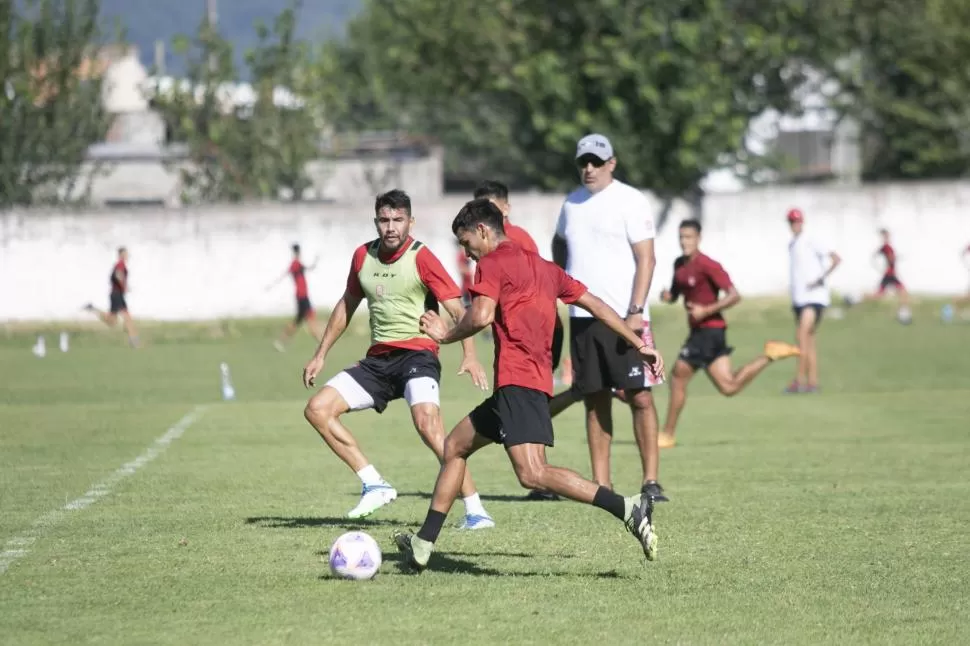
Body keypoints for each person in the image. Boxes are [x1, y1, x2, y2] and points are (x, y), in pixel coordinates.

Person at [392, 198, 666, 572]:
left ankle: (628, 507)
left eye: (466, 242)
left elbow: (483, 315)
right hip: (528, 381)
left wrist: (446, 334)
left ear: (484, 231)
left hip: (518, 380)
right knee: (454, 447)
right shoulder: (545, 267)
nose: (467, 253)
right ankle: (424, 543)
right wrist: (639, 344)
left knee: (533, 474)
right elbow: (597, 304)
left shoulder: (491, 263)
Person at [301, 189, 495, 529]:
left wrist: (469, 354)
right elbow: (347, 305)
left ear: (410, 222)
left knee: (428, 425)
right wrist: (320, 354)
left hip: (418, 355)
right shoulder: (363, 256)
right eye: (384, 220)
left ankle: (476, 510)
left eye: (398, 220)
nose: (391, 227)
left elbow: (456, 309)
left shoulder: (422, 257)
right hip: (378, 361)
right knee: (317, 409)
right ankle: (373, 483)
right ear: (376, 221)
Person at [551, 133, 667, 503]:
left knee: (640, 398)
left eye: (596, 162)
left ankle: (650, 481)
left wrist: (635, 310)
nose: (588, 169)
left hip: (624, 317)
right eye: (583, 162)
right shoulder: (571, 204)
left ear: (611, 163)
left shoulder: (630, 200)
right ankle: (603, 486)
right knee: (594, 398)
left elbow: (646, 259)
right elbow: (558, 246)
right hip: (582, 319)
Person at [658, 220, 801, 448]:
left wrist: (706, 310)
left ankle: (667, 434)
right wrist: (667, 296)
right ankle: (770, 355)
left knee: (677, 376)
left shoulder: (709, 265)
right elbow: (676, 294)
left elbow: (734, 295)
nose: (684, 242)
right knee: (729, 387)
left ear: (698, 239)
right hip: (705, 333)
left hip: (709, 332)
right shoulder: (679, 264)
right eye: (681, 237)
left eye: (689, 237)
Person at [473, 180, 570, 502]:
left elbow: (538, 284)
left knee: (528, 400)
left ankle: (543, 480)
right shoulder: (486, 250)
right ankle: (542, 481)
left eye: (493, 207)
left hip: (531, 339)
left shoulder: (519, 240)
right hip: (510, 339)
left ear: (506, 208)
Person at [785, 208, 841, 394]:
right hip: (799, 299)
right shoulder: (793, 244)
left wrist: (819, 279)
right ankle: (813, 383)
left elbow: (836, 259)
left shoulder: (812, 240)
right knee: (808, 340)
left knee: (801, 336)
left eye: (798, 221)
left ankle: (799, 381)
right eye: (793, 222)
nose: (796, 225)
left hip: (814, 298)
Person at [270, 244, 324, 351]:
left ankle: (280, 341)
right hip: (302, 296)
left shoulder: (296, 264)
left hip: (302, 296)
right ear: (298, 252)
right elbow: (305, 268)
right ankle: (321, 344)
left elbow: (289, 273)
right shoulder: (296, 264)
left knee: (298, 322)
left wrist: (316, 261)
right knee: (311, 319)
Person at [84, 246, 140, 347]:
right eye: (126, 254)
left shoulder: (121, 265)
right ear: (121, 254)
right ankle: (134, 341)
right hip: (116, 295)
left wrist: (124, 287)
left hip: (117, 295)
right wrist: (125, 286)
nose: (127, 256)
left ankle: (92, 308)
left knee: (113, 321)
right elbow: (118, 275)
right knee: (124, 318)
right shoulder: (120, 264)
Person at [859, 228, 911, 322]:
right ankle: (903, 313)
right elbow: (890, 259)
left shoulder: (885, 247)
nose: (888, 237)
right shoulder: (886, 247)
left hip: (890, 274)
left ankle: (859, 297)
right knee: (901, 292)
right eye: (887, 235)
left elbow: (878, 256)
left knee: (882, 294)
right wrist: (895, 258)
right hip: (890, 274)